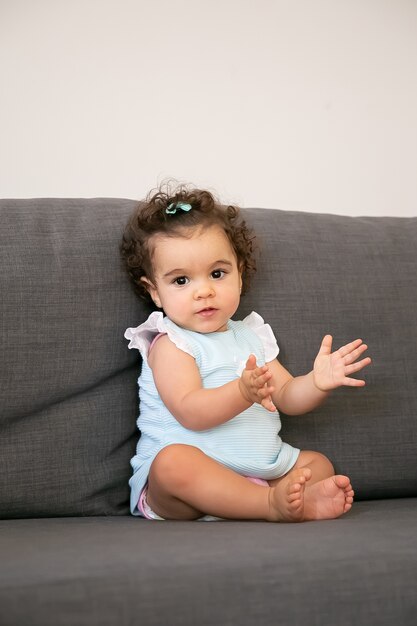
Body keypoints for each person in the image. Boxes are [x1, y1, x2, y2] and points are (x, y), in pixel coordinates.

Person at [121, 184, 371, 522]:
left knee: (318, 465)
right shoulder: (170, 343)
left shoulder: (251, 336)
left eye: (217, 273)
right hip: (191, 483)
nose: (204, 291)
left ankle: (273, 499)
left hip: (258, 470)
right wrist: (242, 392)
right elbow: (189, 411)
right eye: (181, 281)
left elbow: (286, 396)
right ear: (155, 293)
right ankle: (270, 505)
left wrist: (316, 383)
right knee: (171, 464)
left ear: (239, 275)